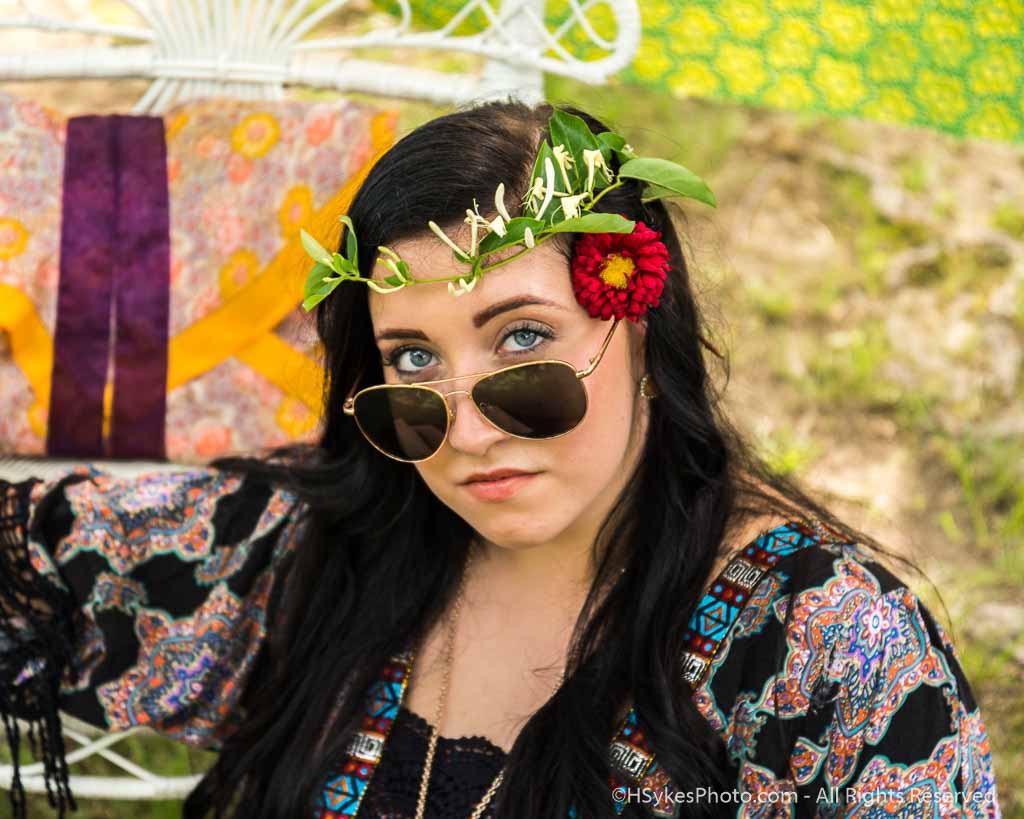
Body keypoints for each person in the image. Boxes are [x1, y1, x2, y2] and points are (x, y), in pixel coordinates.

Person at [0, 99, 1000, 819]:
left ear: (639, 330)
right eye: (412, 361)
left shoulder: (829, 645)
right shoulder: (327, 542)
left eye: (521, 343)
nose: (466, 429)